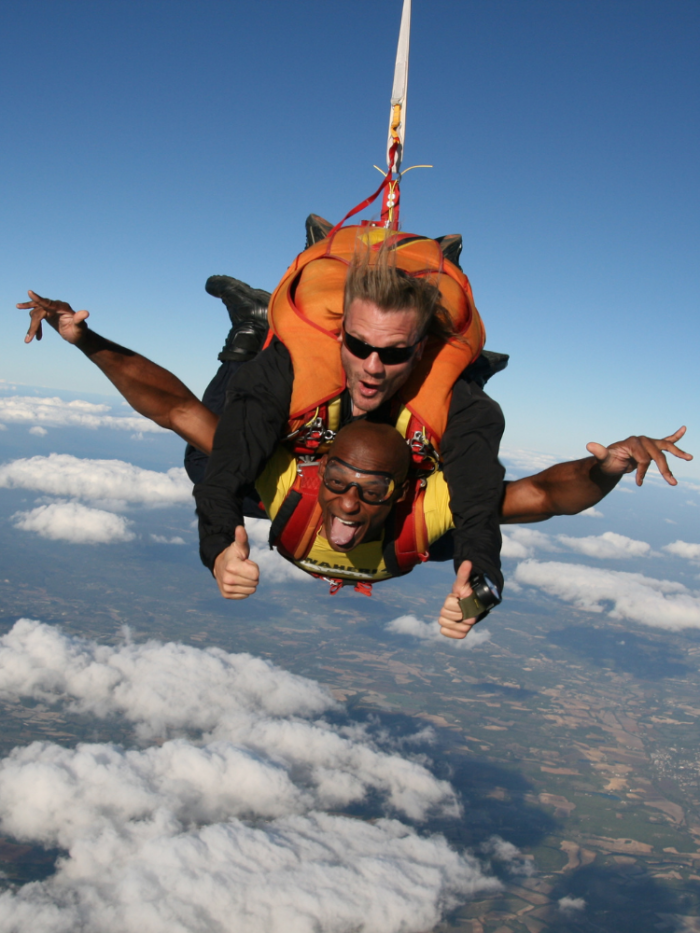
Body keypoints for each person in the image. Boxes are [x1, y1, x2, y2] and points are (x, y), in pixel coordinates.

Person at [19, 290, 692, 640]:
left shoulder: (426, 509)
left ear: (403, 492)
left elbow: (542, 495)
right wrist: (88, 340)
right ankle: (252, 331)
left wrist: (605, 469)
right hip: (296, 457)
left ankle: (455, 373)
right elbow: (171, 407)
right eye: (338, 484)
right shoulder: (291, 475)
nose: (345, 506)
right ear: (315, 468)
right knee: (214, 456)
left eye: (371, 494)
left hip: (401, 504)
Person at [194, 227, 508, 630]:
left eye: (395, 353)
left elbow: (477, 504)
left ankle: (471, 367)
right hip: (301, 425)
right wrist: (218, 547)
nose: (374, 368)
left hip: (403, 456)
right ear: (341, 335)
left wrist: (480, 580)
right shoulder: (280, 371)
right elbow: (223, 474)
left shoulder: (466, 408)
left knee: (447, 541)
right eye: (360, 347)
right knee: (201, 463)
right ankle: (250, 327)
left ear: (419, 350)